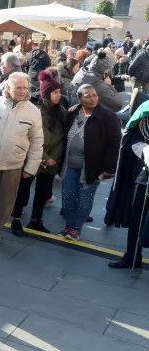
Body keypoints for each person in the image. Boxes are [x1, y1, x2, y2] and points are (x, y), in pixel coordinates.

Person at [0, 72, 44, 246]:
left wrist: (31, 167)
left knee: (7, 200)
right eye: (18, 88)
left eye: (25, 88)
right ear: (8, 88)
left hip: (14, 162)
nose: (23, 91)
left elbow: (38, 141)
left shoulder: (33, 111)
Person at [59, 84, 120, 241]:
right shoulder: (72, 112)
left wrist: (109, 169)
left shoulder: (108, 116)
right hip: (70, 165)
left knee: (85, 198)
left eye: (95, 95)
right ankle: (68, 225)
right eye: (88, 96)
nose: (93, 99)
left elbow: (114, 145)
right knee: (68, 197)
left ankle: (76, 228)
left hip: (92, 167)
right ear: (80, 98)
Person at [10, 72, 67, 234]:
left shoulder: (62, 112)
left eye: (59, 92)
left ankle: (36, 220)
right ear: (46, 93)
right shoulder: (35, 111)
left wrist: (54, 158)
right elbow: (31, 138)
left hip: (51, 162)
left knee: (42, 193)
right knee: (23, 191)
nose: (58, 95)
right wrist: (45, 158)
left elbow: (62, 137)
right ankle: (16, 219)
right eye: (55, 92)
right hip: (34, 158)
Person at [106, 100, 149, 269]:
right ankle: (132, 256)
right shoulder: (145, 110)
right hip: (144, 175)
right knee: (136, 218)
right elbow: (135, 140)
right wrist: (145, 150)